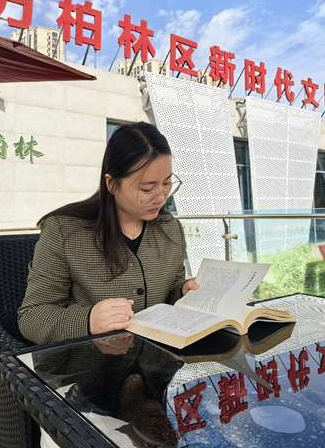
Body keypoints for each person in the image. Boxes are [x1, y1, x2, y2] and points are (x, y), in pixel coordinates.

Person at [18, 121, 199, 345]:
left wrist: (182, 293)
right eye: (147, 189)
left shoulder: (170, 228)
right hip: (86, 363)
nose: (161, 197)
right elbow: (32, 317)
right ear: (112, 184)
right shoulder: (65, 231)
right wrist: (88, 321)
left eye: (167, 183)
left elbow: (168, 294)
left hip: (159, 360)